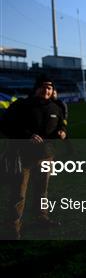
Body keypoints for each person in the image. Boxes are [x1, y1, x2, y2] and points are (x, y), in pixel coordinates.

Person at [1, 75, 66, 239]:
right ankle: (13, 228)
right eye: (43, 87)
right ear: (36, 88)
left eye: (49, 88)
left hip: (46, 157)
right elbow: (5, 125)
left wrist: (62, 133)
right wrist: (27, 135)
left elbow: (60, 126)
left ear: (53, 91)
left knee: (42, 192)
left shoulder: (55, 107)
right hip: (23, 158)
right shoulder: (22, 105)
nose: (46, 90)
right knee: (19, 194)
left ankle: (42, 218)